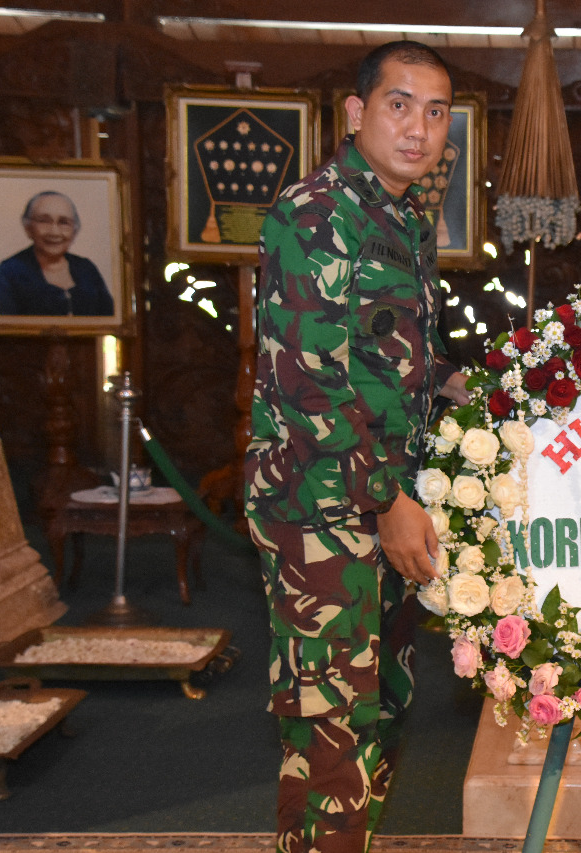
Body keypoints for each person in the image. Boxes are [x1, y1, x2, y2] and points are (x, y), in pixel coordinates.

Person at [243, 40, 469, 853]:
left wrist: (453, 382)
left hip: (379, 499)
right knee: (331, 731)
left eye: (436, 111)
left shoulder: (401, 217)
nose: (418, 127)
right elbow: (310, 384)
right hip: (323, 505)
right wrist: (391, 500)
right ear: (356, 113)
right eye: (399, 104)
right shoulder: (315, 211)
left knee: (378, 711)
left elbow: (380, 355)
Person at [0, 191, 114, 316]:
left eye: (64, 222)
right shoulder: (10, 271)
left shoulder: (86, 269)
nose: (54, 232)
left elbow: (109, 319)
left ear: (75, 230)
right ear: (28, 227)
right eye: (44, 221)